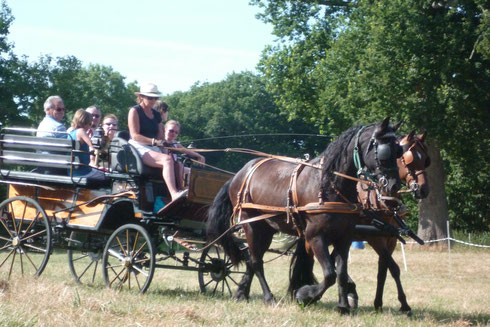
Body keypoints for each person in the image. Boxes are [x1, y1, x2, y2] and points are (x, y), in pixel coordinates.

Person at [128, 83, 185, 202]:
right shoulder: (135, 111)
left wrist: (164, 144)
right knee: (167, 160)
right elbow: (135, 136)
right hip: (138, 146)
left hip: (153, 146)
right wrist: (154, 141)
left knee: (177, 163)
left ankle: (181, 191)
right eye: (150, 97)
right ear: (142, 97)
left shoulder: (156, 115)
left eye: (155, 98)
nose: (153, 100)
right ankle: (174, 194)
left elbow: (160, 134)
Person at [163, 120, 205, 188]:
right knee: (180, 165)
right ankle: (181, 188)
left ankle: (190, 191)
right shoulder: (161, 141)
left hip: (176, 167)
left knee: (195, 173)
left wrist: (200, 156)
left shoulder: (175, 143)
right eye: (171, 131)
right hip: (167, 167)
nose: (173, 133)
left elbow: (187, 151)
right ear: (165, 130)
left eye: (176, 132)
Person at [68, 109, 105, 179]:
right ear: (85, 123)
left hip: (72, 171)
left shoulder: (71, 133)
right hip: (82, 172)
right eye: (90, 124)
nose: (90, 126)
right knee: (105, 175)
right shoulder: (81, 131)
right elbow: (92, 147)